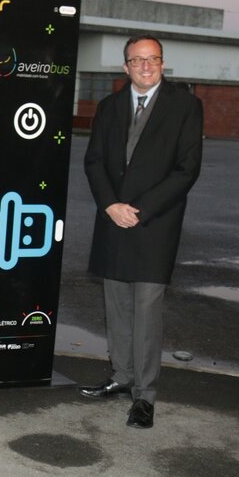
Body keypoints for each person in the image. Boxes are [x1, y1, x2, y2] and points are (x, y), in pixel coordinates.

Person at [80, 34, 203, 429]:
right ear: (125, 67)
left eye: (153, 60)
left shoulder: (186, 106)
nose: (146, 66)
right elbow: (94, 160)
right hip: (113, 218)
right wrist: (110, 205)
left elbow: (187, 170)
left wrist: (141, 210)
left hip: (155, 222)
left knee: (147, 310)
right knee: (116, 303)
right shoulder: (109, 106)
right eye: (137, 60)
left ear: (163, 64)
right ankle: (121, 376)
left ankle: (145, 396)